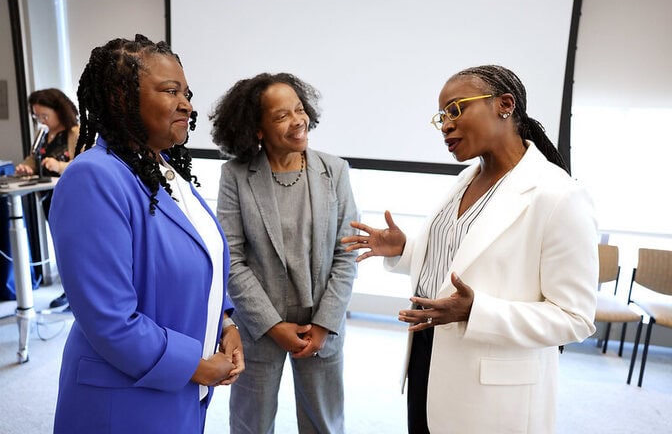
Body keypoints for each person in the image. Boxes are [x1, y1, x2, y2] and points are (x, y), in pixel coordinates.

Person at [342, 65, 598, 434]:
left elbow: (575, 318)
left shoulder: (560, 196)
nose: (446, 125)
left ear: (504, 105)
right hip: (428, 357)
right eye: (442, 116)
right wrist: (406, 250)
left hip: (491, 386)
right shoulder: (466, 179)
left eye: (457, 109)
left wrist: (476, 311)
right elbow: (465, 263)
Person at [48, 34, 244, 434]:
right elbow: (109, 318)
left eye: (186, 92)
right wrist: (196, 365)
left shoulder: (168, 172)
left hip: (177, 392)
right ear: (122, 98)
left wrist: (225, 324)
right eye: (171, 91)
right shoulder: (94, 177)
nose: (187, 104)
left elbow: (199, 261)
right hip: (123, 401)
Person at [210, 72, 358, 433]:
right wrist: (273, 326)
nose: (298, 121)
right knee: (251, 424)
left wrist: (325, 325)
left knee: (325, 422)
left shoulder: (334, 170)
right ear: (257, 129)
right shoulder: (235, 175)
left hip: (320, 325)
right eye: (281, 116)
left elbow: (347, 253)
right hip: (259, 328)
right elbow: (232, 258)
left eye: (299, 109)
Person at [15, 88, 80, 309]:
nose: (41, 120)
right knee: (60, 246)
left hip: (71, 199)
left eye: (44, 116)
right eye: (37, 116)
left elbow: (83, 165)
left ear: (58, 111)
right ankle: (69, 291)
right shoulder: (43, 133)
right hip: (49, 197)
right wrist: (27, 166)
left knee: (76, 247)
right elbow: (34, 158)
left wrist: (58, 165)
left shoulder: (75, 132)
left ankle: (80, 295)